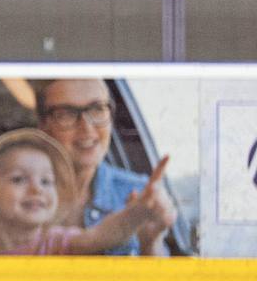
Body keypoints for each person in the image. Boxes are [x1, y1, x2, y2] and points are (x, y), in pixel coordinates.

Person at [0, 128, 164, 254]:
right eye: (19, 179)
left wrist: (137, 213)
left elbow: (102, 235)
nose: (36, 189)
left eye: (47, 181)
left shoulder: (55, 242)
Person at [35, 79, 175, 255]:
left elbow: (159, 280)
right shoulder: (18, 196)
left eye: (97, 109)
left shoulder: (139, 193)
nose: (86, 127)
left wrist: (151, 243)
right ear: (43, 128)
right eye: (66, 114)